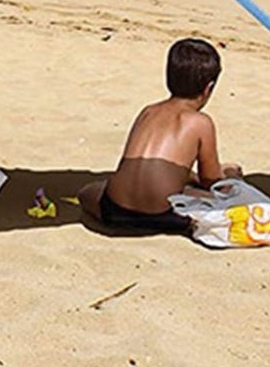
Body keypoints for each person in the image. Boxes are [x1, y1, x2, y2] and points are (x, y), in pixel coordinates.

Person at [76, 38, 242, 235]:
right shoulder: (201, 122)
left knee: (88, 191)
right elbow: (211, 181)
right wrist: (229, 174)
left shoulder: (148, 111)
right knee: (228, 185)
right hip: (161, 216)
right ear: (208, 88)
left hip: (113, 210)